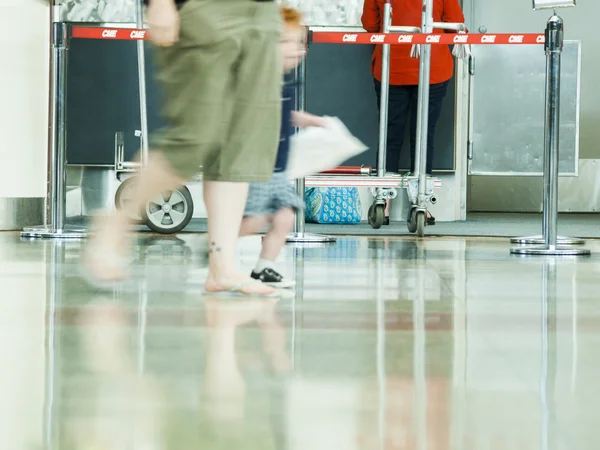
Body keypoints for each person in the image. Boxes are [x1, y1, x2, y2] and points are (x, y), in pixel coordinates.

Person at [83, 0, 284, 296]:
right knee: (193, 137)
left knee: (241, 142)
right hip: (203, 9)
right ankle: (114, 225)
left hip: (263, 12)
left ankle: (222, 265)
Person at [239, 7, 327, 289]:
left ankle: (264, 267)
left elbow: (286, 113)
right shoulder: (258, 81)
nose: (298, 50)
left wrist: (312, 121)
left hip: (278, 169)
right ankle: (217, 246)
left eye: (300, 43)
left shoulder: (284, 83)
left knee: (285, 216)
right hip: (258, 167)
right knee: (254, 221)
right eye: (288, 42)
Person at [362, 0, 465, 225]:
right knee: (423, 134)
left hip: (391, 65)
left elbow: (370, 24)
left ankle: (383, 201)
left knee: (389, 133)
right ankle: (421, 202)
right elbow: (455, 24)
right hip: (432, 67)